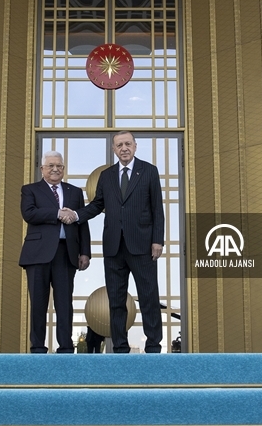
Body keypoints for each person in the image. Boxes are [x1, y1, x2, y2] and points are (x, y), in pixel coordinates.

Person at [64, 131, 164, 353]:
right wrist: (76, 215)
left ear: (135, 146)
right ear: (114, 149)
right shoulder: (107, 176)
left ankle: (154, 345)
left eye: (128, 144)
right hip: (113, 247)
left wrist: (158, 241)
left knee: (148, 297)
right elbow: (97, 204)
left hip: (143, 246)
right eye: (119, 145)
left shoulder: (149, 171)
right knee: (116, 301)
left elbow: (158, 208)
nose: (124, 148)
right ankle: (120, 347)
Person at [19, 151, 90, 353]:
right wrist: (58, 213)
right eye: (50, 165)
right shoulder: (30, 190)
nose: (55, 169)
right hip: (37, 254)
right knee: (39, 303)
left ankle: (66, 347)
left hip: (66, 253)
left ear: (64, 169)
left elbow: (81, 223)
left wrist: (85, 252)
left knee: (65, 303)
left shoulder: (75, 192)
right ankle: (38, 347)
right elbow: (29, 214)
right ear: (42, 169)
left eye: (59, 165)